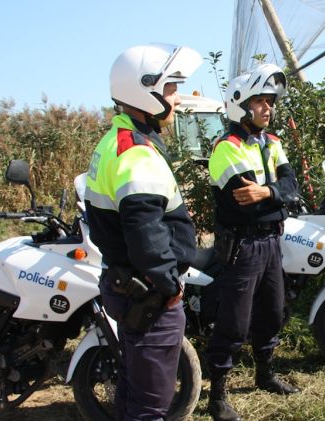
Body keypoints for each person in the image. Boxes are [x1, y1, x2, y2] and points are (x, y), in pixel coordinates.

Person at [84, 43, 202, 421]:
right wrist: (169, 287)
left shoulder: (119, 140)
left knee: (135, 393)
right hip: (148, 294)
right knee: (151, 407)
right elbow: (144, 232)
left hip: (130, 285)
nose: (177, 98)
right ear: (144, 89)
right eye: (171, 88)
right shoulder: (136, 151)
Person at [205, 63, 300, 421]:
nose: (268, 108)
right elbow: (242, 203)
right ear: (239, 105)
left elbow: (292, 188)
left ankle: (265, 373)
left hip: (272, 243)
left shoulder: (273, 143)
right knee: (234, 322)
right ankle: (217, 396)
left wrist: (269, 192)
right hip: (242, 247)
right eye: (260, 101)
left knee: (272, 312)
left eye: (270, 101)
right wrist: (276, 197)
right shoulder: (225, 148)